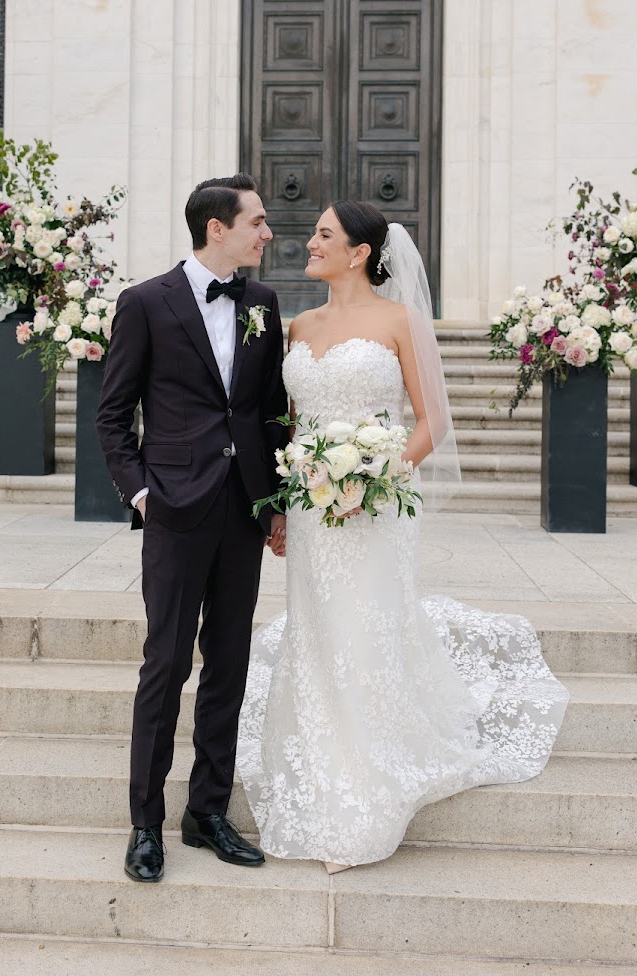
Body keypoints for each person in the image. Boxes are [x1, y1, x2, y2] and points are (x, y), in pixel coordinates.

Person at [237, 201, 569, 872]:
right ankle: (322, 753)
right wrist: (281, 503)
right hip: (310, 509)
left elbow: (431, 422)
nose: (310, 242)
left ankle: (368, 781)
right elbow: (288, 425)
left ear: (359, 252)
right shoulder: (298, 324)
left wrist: (373, 479)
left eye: (324, 235)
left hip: (378, 508)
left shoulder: (400, 322)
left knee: (367, 629)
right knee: (319, 630)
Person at [96, 173, 287, 884]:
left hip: (242, 510)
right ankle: (145, 822)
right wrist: (142, 492)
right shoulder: (146, 302)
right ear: (218, 228)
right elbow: (113, 416)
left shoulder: (263, 303)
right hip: (174, 509)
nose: (268, 233)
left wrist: (275, 503)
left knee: (228, 666)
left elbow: (270, 412)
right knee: (167, 663)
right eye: (257, 222)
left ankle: (207, 812)